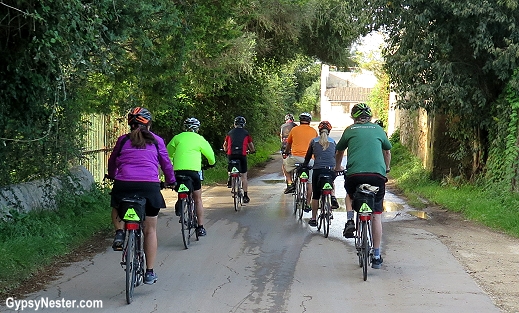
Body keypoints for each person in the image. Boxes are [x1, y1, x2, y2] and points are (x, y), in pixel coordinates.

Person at [107, 107, 176, 285]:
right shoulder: (157, 141)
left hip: (124, 184)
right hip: (149, 186)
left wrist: (113, 175)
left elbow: (113, 160)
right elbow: (166, 163)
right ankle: (149, 272)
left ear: (130, 124)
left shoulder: (123, 140)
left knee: (117, 204)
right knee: (150, 230)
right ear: (149, 124)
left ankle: (120, 232)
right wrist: (171, 180)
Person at [335, 103, 392, 269]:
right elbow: (387, 151)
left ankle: (350, 220)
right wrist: (386, 169)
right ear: (370, 116)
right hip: (377, 176)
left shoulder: (349, 130)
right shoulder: (378, 129)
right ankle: (376, 255)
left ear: (354, 117)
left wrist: (337, 166)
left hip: (355, 175)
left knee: (350, 194)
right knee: (376, 215)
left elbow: (339, 151)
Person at [167, 117, 216, 237]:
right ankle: (200, 227)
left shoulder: (177, 137)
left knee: (181, 185)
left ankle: (180, 200)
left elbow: (167, 153)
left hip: (178, 172)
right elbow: (211, 156)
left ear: (185, 128)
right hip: (194, 172)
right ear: (197, 129)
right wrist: (211, 163)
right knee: (197, 199)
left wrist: (172, 161)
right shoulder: (200, 139)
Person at [302, 121, 339, 226]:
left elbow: (308, 156)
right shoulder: (333, 142)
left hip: (318, 170)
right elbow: (335, 157)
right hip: (331, 170)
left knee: (316, 195)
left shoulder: (313, 141)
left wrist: (305, 165)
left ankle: (313, 218)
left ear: (319, 130)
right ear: (329, 131)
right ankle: (332, 196)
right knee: (331, 181)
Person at [282, 112, 318, 210]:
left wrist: (286, 152)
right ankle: (307, 203)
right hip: (310, 159)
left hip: (296, 157)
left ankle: (290, 184)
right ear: (309, 121)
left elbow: (289, 144)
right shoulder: (313, 131)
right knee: (310, 182)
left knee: (285, 165)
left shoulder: (294, 129)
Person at [223, 116, 255, 203]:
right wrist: (252, 151)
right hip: (242, 155)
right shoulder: (246, 133)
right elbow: (251, 145)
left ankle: (230, 177)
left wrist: (226, 150)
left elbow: (225, 145)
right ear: (243, 124)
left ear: (234, 124)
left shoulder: (230, 133)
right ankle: (245, 195)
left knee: (230, 166)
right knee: (244, 176)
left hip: (231, 154)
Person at [280, 114, 298, 191]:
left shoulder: (282, 126)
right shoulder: (296, 126)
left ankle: (289, 182)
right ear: (292, 120)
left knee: (285, 164)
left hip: (285, 147)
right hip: (294, 147)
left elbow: (281, 137)